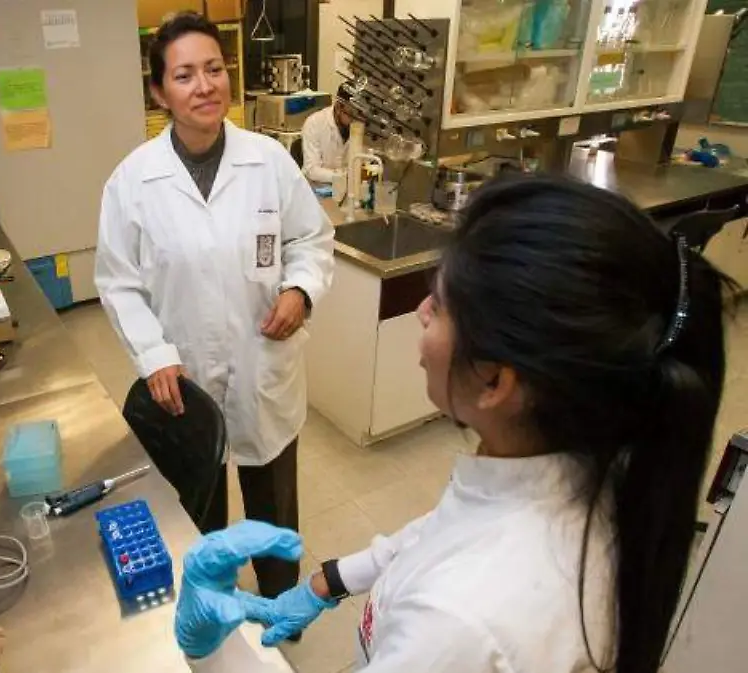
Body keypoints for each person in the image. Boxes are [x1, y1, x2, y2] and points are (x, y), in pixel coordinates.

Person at [173, 176, 732, 672]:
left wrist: (211, 653)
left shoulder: (458, 619)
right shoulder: (580, 466)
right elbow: (441, 530)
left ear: (494, 382)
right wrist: (325, 584)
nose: (419, 314)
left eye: (438, 306)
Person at [94, 11, 334, 602]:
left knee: (273, 498)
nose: (204, 86)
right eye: (183, 75)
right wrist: (153, 355)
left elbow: (311, 238)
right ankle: (212, 602)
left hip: (263, 366)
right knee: (198, 501)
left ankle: (280, 598)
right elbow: (119, 282)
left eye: (213, 69)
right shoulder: (132, 182)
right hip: (183, 374)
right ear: (159, 91)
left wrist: (300, 290)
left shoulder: (269, 160)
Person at [300, 83, 356, 184]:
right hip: (317, 188)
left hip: (347, 189)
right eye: (351, 115)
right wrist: (344, 176)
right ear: (338, 107)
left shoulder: (359, 124)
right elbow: (312, 170)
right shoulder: (314, 123)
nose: (355, 121)